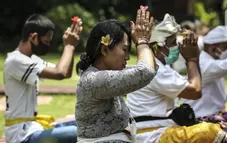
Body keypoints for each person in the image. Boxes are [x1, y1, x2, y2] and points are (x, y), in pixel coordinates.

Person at [126, 14, 227, 143]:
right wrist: (192, 59)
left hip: (155, 130)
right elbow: (195, 91)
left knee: (213, 124)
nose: (177, 48)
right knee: (214, 132)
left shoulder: (156, 66)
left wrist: (193, 58)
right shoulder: (156, 70)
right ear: (160, 46)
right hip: (151, 135)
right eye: (173, 44)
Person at [75, 6, 157, 143]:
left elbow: (150, 70)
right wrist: (142, 41)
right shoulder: (93, 79)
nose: (127, 57)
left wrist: (147, 43)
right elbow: (145, 72)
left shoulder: (104, 74)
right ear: (105, 50)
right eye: (124, 50)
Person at [4, 14, 82, 143]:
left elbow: (66, 73)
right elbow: (59, 73)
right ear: (34, 37)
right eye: (46, 41)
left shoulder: (31, 59)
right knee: (76, 132)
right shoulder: (16, 60)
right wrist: (69, 46)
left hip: (33, 128)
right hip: (21, 137)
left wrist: (70, 45)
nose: (48, 45)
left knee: (84, 124)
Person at [182, 26, 227, 139]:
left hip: (217, 116)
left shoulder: (212, 62)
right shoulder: (204, 64)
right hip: (203, 119)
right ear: (214, 49)